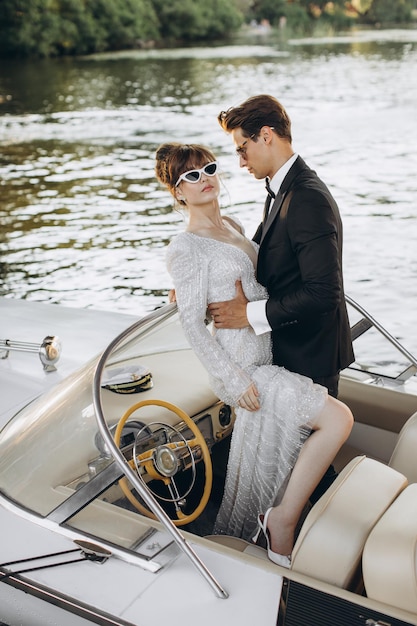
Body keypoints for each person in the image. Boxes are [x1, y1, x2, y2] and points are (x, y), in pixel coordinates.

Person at [156, 141, 353, 566]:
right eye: (191, 175)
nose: (204, 178)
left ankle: (279, 540)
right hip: (245, 369)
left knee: (286, 461)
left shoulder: (234, 224)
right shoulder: (185, 248)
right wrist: (235, 380)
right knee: (339, 419)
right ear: (178, 191)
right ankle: (281, 521)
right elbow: (192, 324)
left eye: (208, 167)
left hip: (269, 356)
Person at [208, 94, 355, 501]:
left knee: (307, 469)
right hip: (295, 350)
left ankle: (310, 545)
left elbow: (325, 292)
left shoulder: (305, 197)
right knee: (299, 464)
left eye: (243, 148)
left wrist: (248, 315)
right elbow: (258, 256)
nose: (240, 161)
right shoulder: (282, 188)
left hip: (310, 355)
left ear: (266, 135)